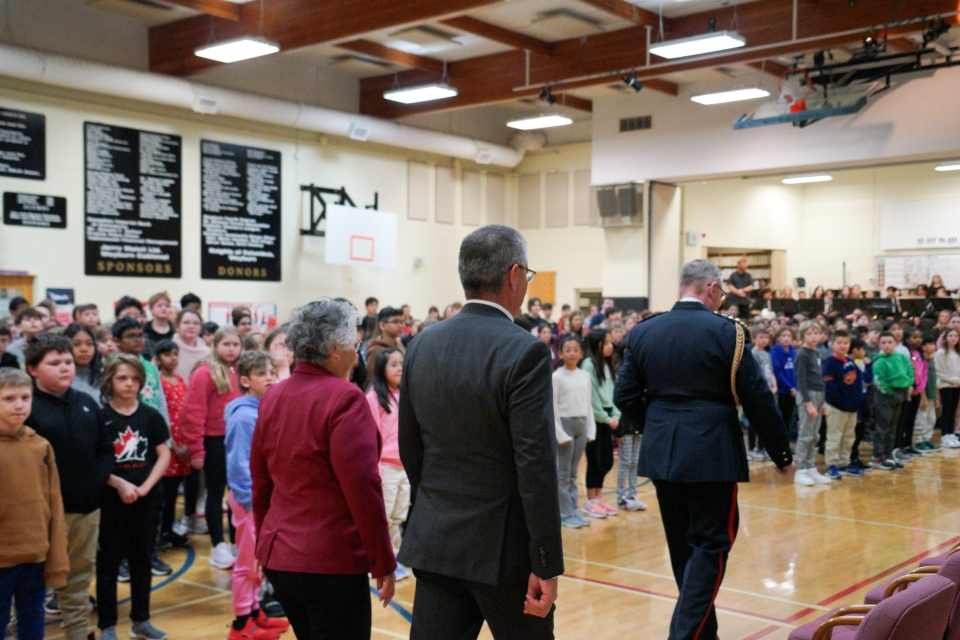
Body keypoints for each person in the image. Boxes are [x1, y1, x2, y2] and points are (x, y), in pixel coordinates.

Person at [614, 259, 793, 640]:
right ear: (711, 288)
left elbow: (624, 395)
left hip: (663, 455)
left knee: (685, 551)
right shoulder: (729, 331)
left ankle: (702, 635)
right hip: (713, 452)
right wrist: (781, 452)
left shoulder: (645, 331)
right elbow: (757, 398)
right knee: (711, 547)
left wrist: (657, 428)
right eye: (721, 293)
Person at [399, 225, 562, 639]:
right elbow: (536, 464)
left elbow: (410, 448)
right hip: (503, 552)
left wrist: (435, 507)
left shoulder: (422, 344)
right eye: (528, 274)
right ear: (514, 275)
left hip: (436, 539)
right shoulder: (525, 350)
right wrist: (545, 561)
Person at [251, 299, 396, 640]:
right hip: (329, 561)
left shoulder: (273, 395)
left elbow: (260, 479)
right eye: (353, 344)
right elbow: (362, 487)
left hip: (280, 557)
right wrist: (382, 559)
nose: (356, 353)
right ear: (333, 347)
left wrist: (262, 544)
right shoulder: (344, 397)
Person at [24, 334, 114, 640]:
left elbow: (105, 448)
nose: (65, 368)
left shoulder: (86, 402)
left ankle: (77, 633)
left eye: (68, 361)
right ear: (33, 369)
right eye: (54, 363)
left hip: (85, 509)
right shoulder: (26, 407)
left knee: (78, 579)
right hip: (40, 515)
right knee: (31, 582)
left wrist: (96, 480)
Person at [96, 354, 171, 640]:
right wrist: (119, 484)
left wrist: (146, 487)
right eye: (122, 378)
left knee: (142, 560)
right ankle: (107, 625)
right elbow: (94, 460)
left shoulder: (151, 416)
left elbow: (163, 454)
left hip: (145, 500)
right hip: (111, 501)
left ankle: (141, 620)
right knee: (108, 564)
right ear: (110, 381)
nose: (129, 384)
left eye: (135, 378)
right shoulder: (101, 417)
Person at [0, 368, 70, 640]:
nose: (19, 405)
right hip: (2, 557)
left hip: (35, 554)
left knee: (32, 616)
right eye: (9, 398)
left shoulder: (41, 446)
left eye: (25, 397)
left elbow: (54, 503)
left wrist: (55, 553)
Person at [224, 351, 289, 640]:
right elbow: (239, 466)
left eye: (273, 372)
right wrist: (251, 503)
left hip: (260, 500)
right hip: (249, 502)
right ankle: (241, 625)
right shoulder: (244, 417)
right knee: (247, 564)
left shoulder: (262, 409)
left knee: (256, 562)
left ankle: (254, 613)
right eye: (262, 374)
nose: (271, 378)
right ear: (246, 381)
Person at [181, 327, 242, 569]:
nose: (231, 349)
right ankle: (218, 545)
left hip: (238, 440)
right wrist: (196, 449)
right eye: (226, 344)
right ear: (215, 345)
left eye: (236, 345)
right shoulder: (204, 372)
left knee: (238, 494)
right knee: (215, 494)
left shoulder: (241, 371)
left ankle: (237, 542)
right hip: (214, 441)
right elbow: (193, 413)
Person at [365, 347, 412, 581]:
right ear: (381, 369)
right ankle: (382, 560)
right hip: (385, 467)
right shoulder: (373, 397)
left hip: (404, 466)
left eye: (402, 363)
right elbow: (370, 438)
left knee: (398, 516)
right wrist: (375, 470)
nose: (399, 368)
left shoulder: (406, 394)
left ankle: (394, 556)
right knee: (384, 516)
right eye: (393, 364)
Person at [552, 335, 595, 529]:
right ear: (560, 354)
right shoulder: (556, 377)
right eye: (567, 350)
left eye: (575, 350)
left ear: (581, 353)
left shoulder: (584, 376)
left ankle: (573, 511)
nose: (572, 353)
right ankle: (564, 513)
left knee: (573, 473)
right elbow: (552, 407)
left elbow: (588, 403)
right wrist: (559, 433)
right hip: (565, 426)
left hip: (581, 426)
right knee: (563, 474)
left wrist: (590, 430)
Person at [154, 340, 191, 550]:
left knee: (175, 489)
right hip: (169, 444)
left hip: (182, 443)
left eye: (175, 354)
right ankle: (159, 532)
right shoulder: (158, 381)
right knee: (166, 493)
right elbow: (162, 416)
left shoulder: (180, 380)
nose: (173, 358)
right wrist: (173, 444)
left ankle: (168, 529)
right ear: (158, 359)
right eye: (167, 354)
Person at [580, 329, 621, 518]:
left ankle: (599, 496)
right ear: (597, 344)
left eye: (611, 343)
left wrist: (616, 414)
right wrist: (605, 417)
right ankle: (591, 500)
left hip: (608, 417)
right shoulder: (589, 365)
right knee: (594, 459)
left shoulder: (608, 364)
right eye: (606, 343)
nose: (610, 346)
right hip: (595, 419)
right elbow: (592, 396)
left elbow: (614, 390)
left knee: (606, 459)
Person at [821, 330, 863, 479]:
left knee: (849, 437)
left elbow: (858, 384)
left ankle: (844, 463)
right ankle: (831, 465)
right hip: (836, 408)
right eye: (839, 343)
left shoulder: (851, 362)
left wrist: (856, 403)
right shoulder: (829, 364)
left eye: (845, 343)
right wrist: (842, 403)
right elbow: (830, 388)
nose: (842, 346)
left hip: (852, 408)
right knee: (835, 437)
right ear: (832, 344)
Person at [112, 318, 170, 427]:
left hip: (152, 426)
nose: (138, 340)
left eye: (140, 335)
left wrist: (165, 429)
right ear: (117, 341)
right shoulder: (113, 366)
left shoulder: (151, 367)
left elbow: (161, 402)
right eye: (131, 336)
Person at [794, 321, 831, 485]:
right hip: (808, 394)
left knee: (815, 434)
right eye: (809, 334)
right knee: (806, 434)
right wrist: (808, 402)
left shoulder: (817, 353)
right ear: (802, 336)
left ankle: (810, 467)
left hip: (819, 394)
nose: (813, 336)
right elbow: (801, 381)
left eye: (816, 333)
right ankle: (800, 470)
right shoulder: (802, 354)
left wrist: (823, 401)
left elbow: (820, 377)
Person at [871, 332, 914, 470]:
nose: (887, 345)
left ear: (896, 343)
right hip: (886, 395)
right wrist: (890, 393)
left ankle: (889, 455)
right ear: (879, 345)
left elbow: (909, 372)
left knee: (893, 427)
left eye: (890, 342)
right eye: (883, 343)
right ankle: (878, 456)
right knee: (882, 427)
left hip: (901, 393)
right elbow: (879, 380)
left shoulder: (901, 357)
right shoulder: (880, 361)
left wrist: (908, 385)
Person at [892, 328, 925, 462]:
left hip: (917, 389)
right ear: (907, 339)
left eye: (919, 337)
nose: (917, 340)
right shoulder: (904, 352)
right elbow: (908, 371)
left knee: (911, 419)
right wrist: (911, 386)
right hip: (907, 389)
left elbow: (923, 372)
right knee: (902, 419)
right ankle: (899, 446)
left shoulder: (920, 353)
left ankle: (908, 444)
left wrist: (920, 387)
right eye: (914, 337)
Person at [747, 327, 777, 461]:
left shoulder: (767, 354)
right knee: (755, 420)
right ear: (753, 339)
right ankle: (752, 448)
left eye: (766, 337)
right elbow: (756, 375)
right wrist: (765, 388)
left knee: (766, 421)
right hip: (758, 392)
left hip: (769, 391)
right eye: (761, 337)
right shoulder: (752, 354)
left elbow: (770, 372)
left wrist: (774, 386)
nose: (764, 340)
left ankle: (762, 447)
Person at [913, 333, 940, 452]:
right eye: (930, 344)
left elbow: (934, 381)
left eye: (933, 344)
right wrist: (923, 397)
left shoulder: (932, 360)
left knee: (931, 418)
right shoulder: (921, 361)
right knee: (921, 418)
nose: (933, 346)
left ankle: (926, 439)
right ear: (923, 347)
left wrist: (936, 398)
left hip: (931, 396)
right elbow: (920, 380)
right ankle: (918, 441)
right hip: (923, 396)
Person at [364, 307, 406, 383]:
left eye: (401, 322)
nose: (400, 326)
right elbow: (371, 380)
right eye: (395, 322)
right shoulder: (375, 350)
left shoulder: (399, 346)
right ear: (382, 325)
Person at [64, 324, 103, 404]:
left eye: (89, 344)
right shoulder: (61, 381)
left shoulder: (103, 378)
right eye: (76, 344)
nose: (84, 349)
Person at [935, 327, 960, 448]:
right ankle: (945, 435)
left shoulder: (957, 352)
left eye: (956, 336)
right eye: (950, 336)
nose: (953, 338)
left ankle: (951, 433)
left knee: (953, 410)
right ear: (945, 338)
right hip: (945, 385)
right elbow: (939, 371)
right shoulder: (941, 353)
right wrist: (953, 379)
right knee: (946, 410)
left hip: (957, 385)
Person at [172, 308, 211, 380]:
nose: (191, 326)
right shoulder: (168, 349)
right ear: (177, 327)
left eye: (196, 323)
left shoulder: (208, 353)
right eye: (186, 322)